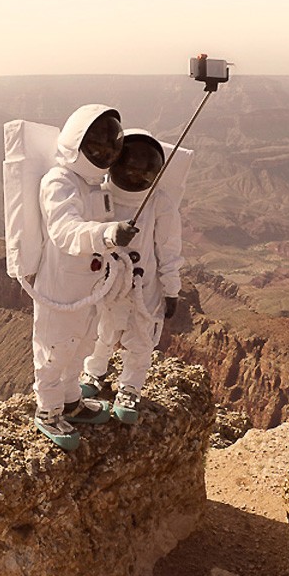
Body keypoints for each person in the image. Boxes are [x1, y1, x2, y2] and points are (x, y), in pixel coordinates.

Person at [30, 105, 138, 450]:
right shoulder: (58, 181)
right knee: (55, 348)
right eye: (97, 145)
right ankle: (48, 411)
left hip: (90, 284)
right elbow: (64, 230)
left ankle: (70, 400)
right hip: (61, 286)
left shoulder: (94, 184)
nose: (105, 152)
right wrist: (106, 234)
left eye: (110, 145)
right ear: (76, 142)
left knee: (82, 342)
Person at [79, 128, 183, 424]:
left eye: (145, 169)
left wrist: (171, 289)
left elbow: (168, 248)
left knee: (141, 337)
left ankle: (130, 388)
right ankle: (94, 372)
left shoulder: (159, 202)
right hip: (107, 281)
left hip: (143, 285)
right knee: (102, 329)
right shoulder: (101, 194)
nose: (137, 174)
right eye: (132, 166)